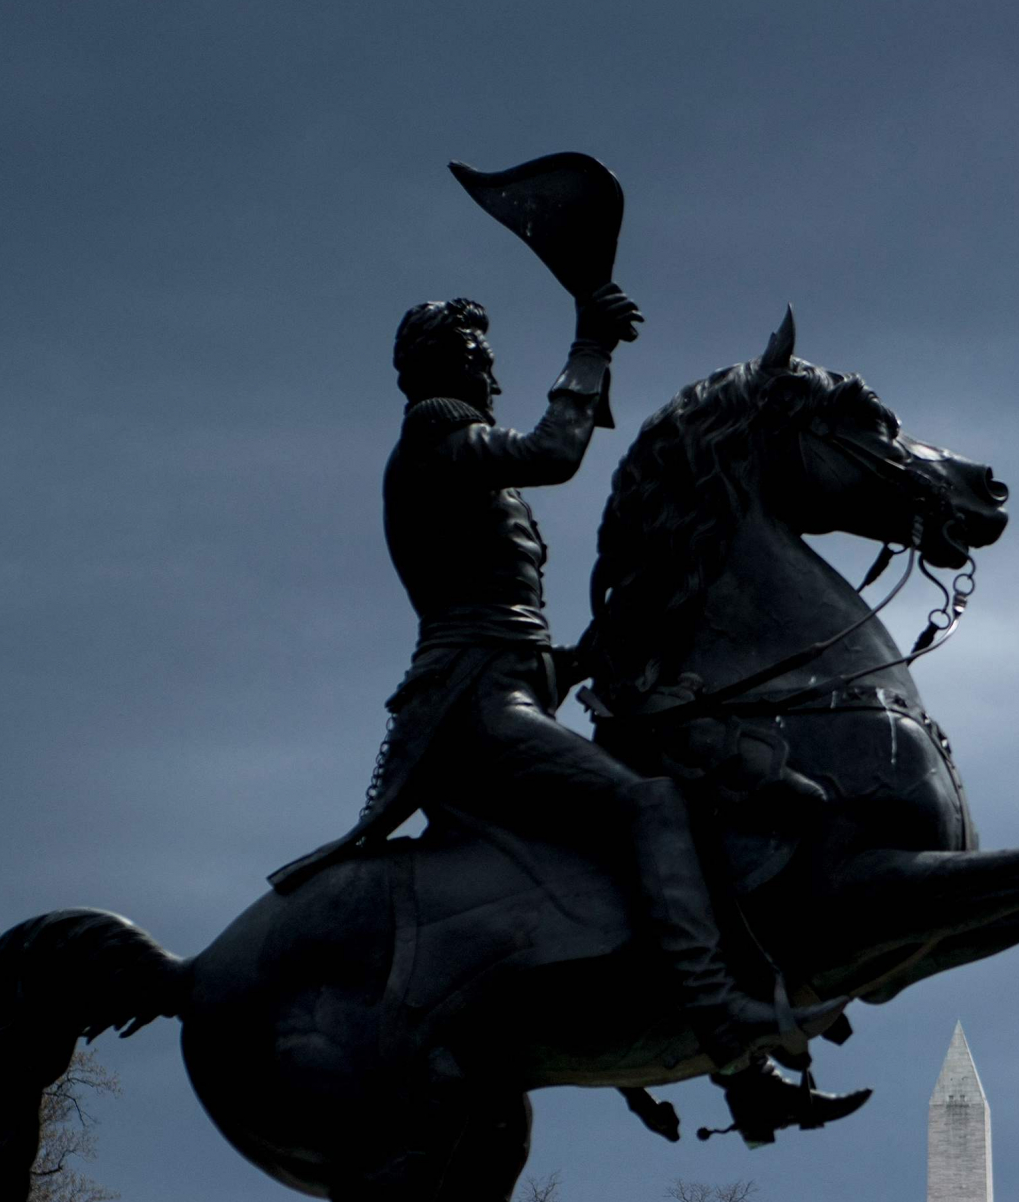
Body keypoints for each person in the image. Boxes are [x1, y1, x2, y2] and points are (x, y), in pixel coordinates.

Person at [271, 286, 847, 1124]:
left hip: (511, 687)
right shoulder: (438, 434)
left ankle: (741, 1075)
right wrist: (590, 346)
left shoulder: (451, 451)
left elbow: (503, 610)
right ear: (438, 363)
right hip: (473, 706)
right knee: (650, 804)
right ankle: (721, 1020)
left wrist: (591, 651)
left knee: (668, 785)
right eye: (475, 349)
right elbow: (555, 450)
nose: (491, 363)